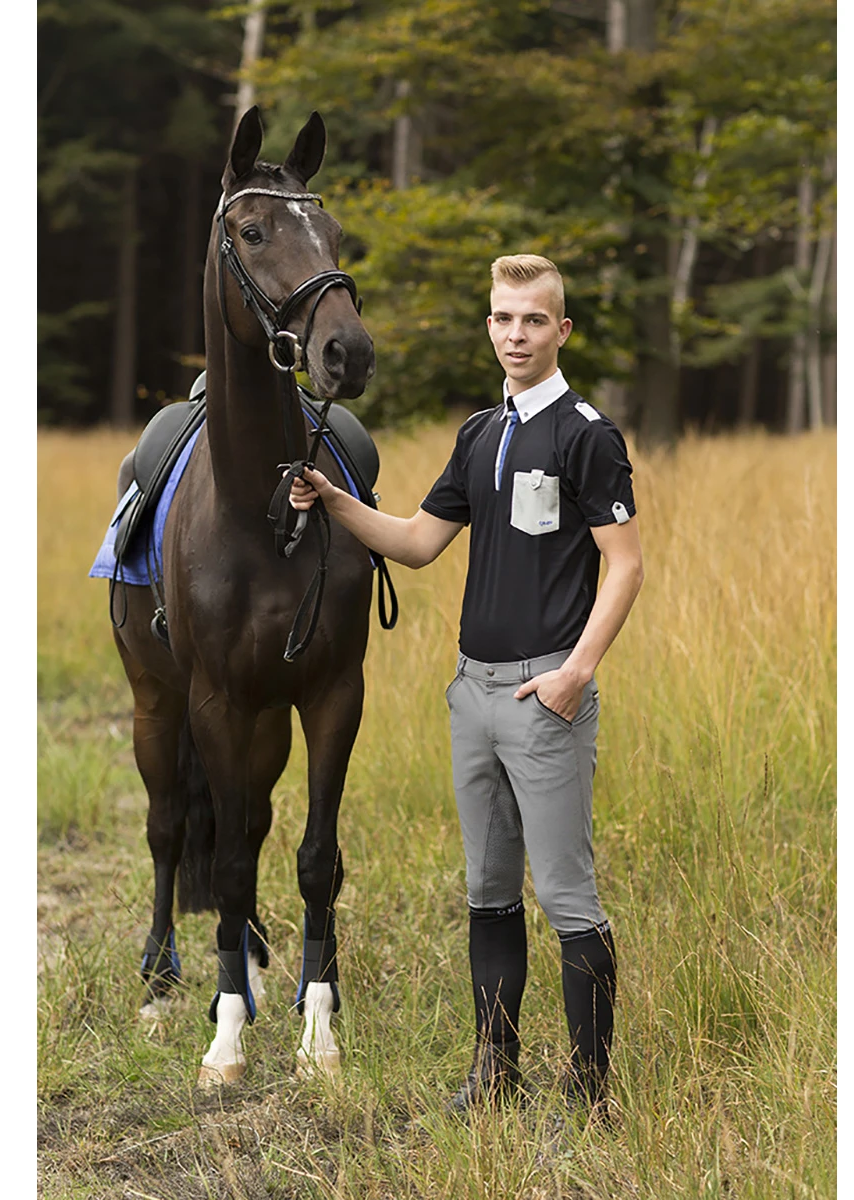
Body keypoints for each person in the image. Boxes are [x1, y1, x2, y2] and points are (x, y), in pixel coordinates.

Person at [289, 254, 644, 1112]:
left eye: (533, 320)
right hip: (472, 694)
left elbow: (626, 565)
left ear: (561, 330)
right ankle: (494, 1073)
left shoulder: (587, 434)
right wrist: (334, 500)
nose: (516, 335)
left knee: (567, 898)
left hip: (544, 697)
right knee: (488, 894)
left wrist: (576, 672)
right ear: (489, 326)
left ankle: (590, 1095)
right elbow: (416, 542)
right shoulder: (481, 433)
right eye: (503, 319)